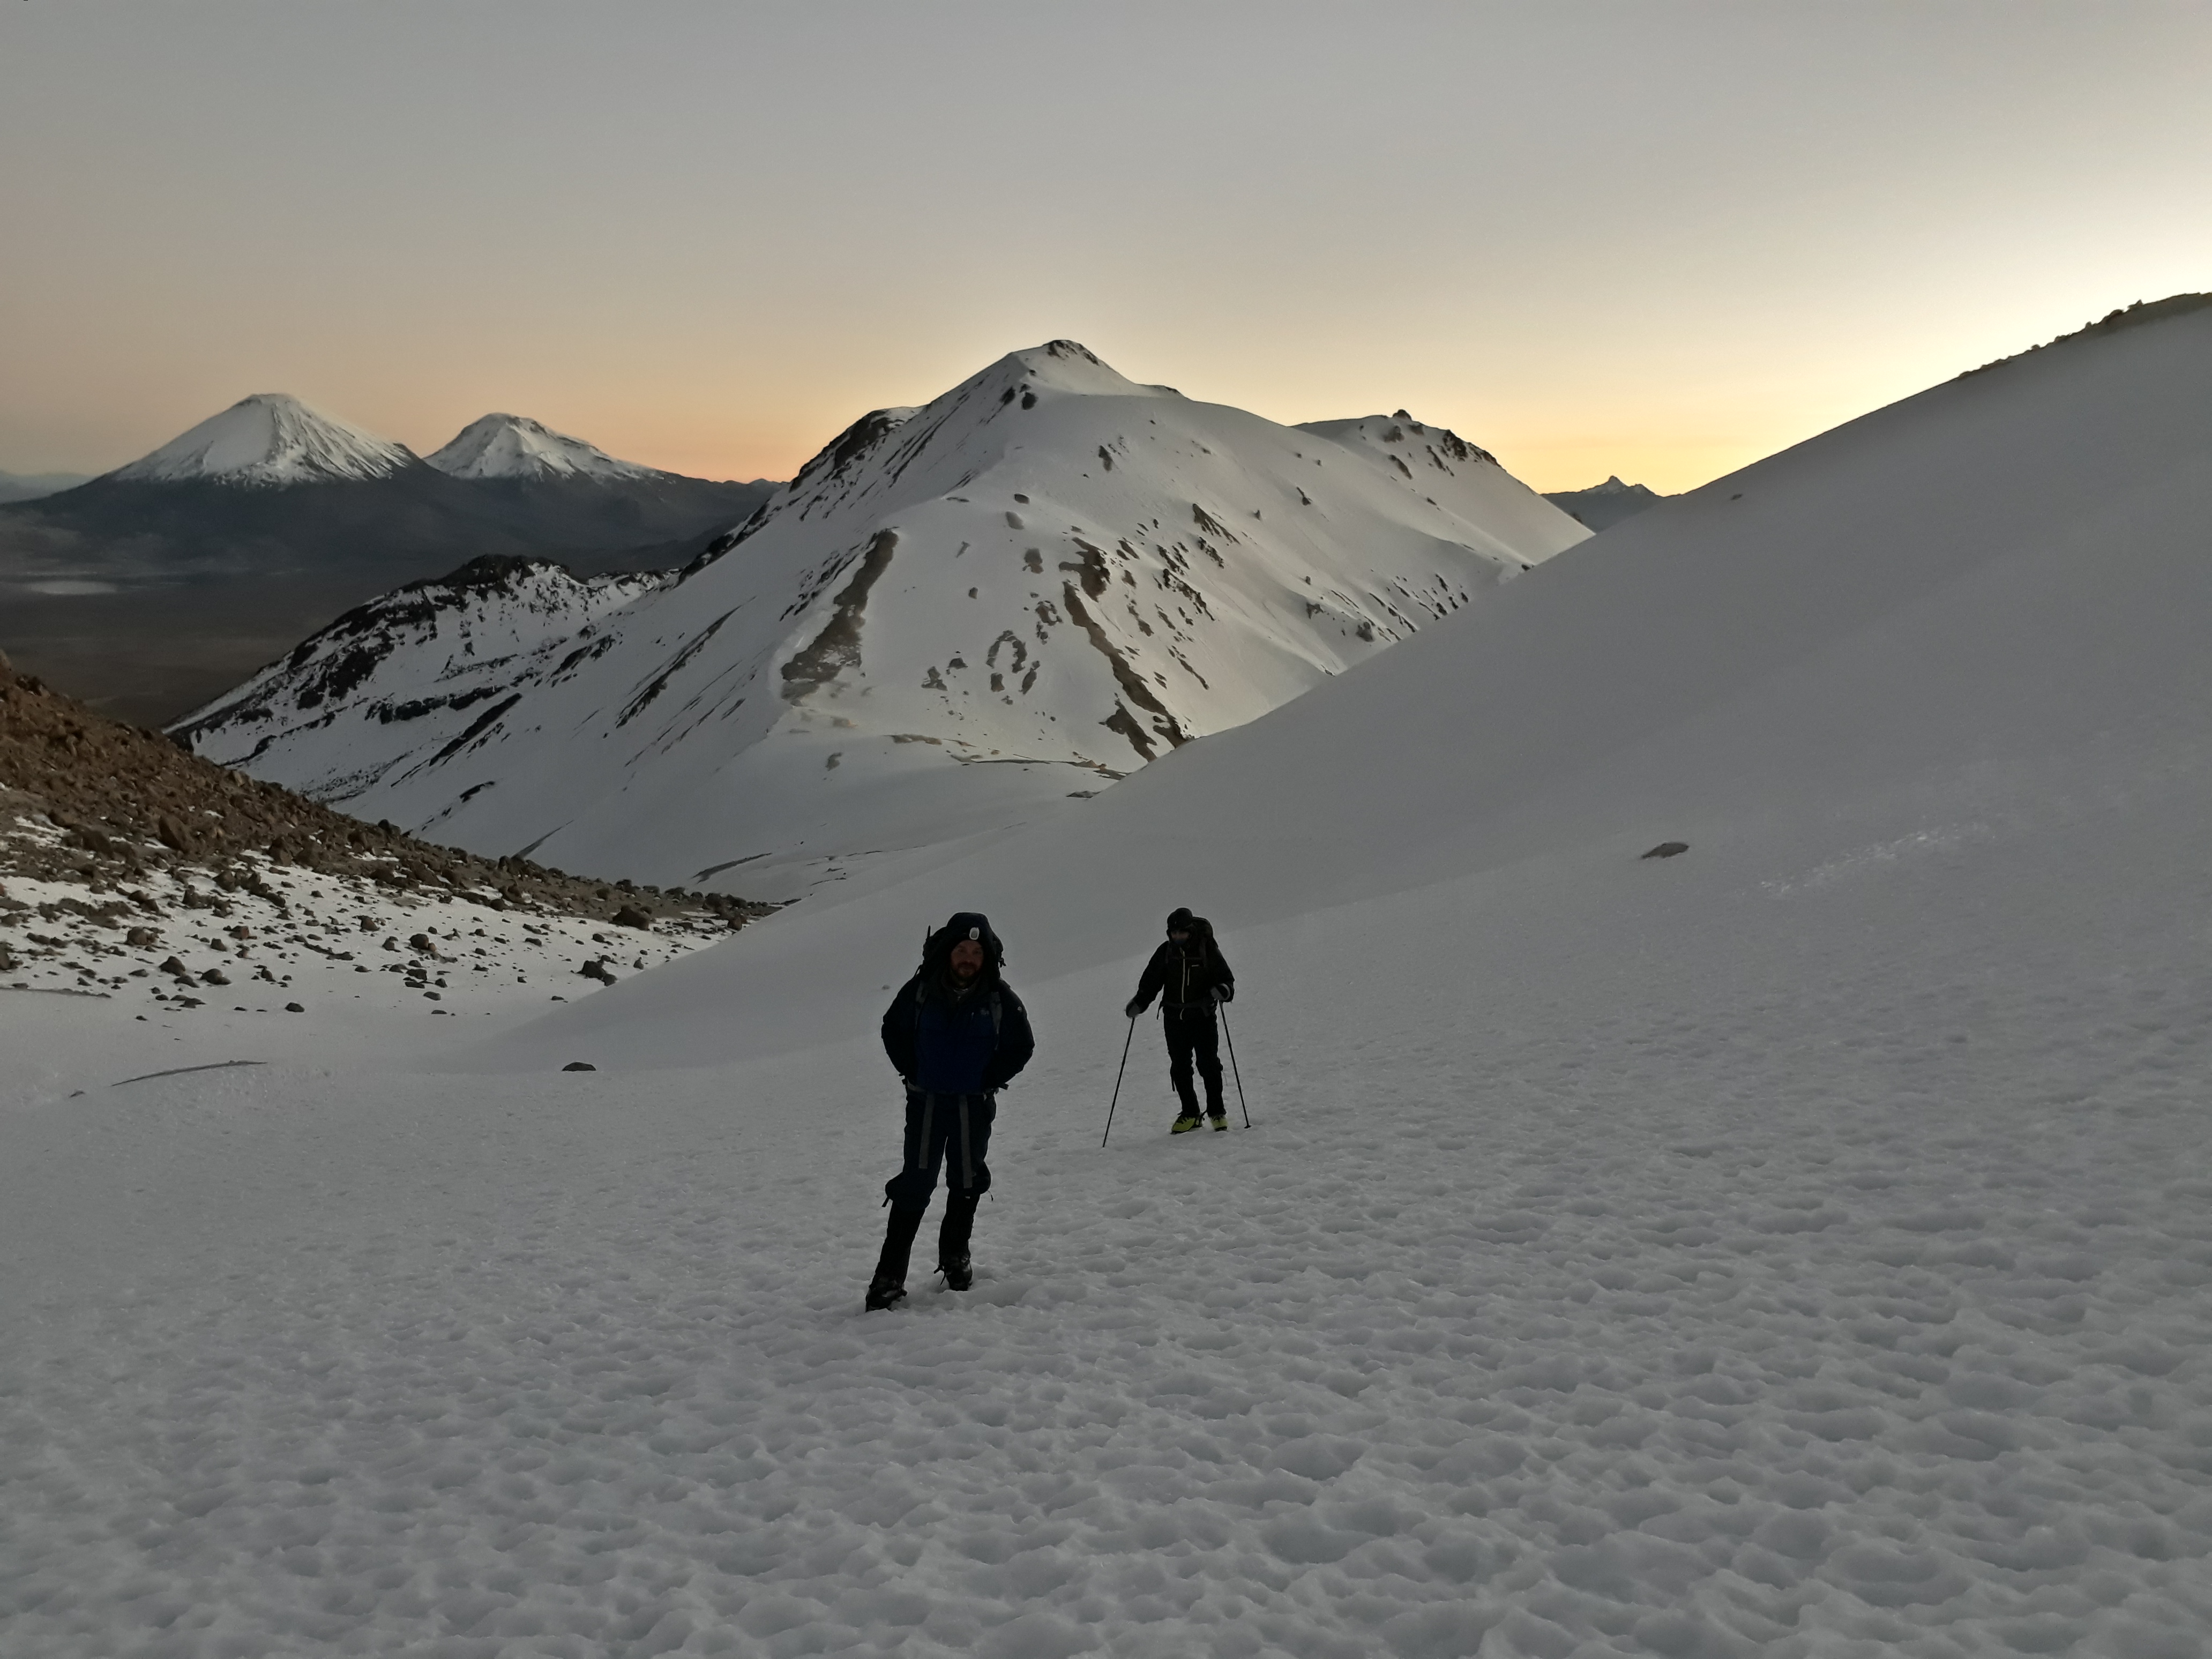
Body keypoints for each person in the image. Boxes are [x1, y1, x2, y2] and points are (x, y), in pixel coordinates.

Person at [868, 911, 1035, 1311]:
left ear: (987, 957)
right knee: (916, 1183)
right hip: (925, 1103)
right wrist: (913, 1070)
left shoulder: (999, 998)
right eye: (962, 950)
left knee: (967, 1180)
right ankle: (888, 1279)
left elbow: (1022, 1046)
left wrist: (989, 1078)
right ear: (947, 952)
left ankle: (956, 1258)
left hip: (972, 1107)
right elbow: (893, 1028)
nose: (968, 959)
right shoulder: (921, 990)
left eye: (976, 952)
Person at [1124, 907, 1235, 1134]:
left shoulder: (1206, 949)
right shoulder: (1166, 952)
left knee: (1209, 1065)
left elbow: (1226, 979)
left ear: (1190, 930)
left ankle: (1217, 1112)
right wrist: (1140, 1003)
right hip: (1174, 1019)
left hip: (1203, 1017)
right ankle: (1190, 1114)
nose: (1177, 937)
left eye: (1181, 932)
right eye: (1173, 933)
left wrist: (1224, 990)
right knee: (1180, 1067)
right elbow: (1151, 982)